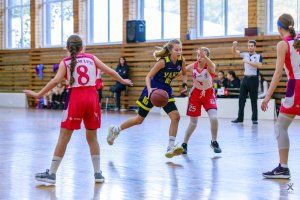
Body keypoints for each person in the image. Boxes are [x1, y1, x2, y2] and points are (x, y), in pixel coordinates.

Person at [24, 34, 133, 184]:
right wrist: (123, 81)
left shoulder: (65, 62)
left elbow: (55, 81)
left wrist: (38, 94)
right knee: (92, 138)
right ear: (83, 48)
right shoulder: (91, 58)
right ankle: (98, 174)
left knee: (64, 137)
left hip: (75, 98)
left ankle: (52, 173)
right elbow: (111, 72)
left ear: (67, 48)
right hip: (92, 98)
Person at [107, 39, 187, 158]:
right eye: (176, 50)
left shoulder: (181, 60)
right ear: (170, 51)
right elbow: (148, 76)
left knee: (176, 116)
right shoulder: (162, 62)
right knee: (139, 120)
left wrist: (184, 84)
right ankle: (115, 130)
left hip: (165, 92)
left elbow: (185, 73)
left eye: (180, 49)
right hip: (153, 90)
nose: (179, 52)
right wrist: (150, 90)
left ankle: (170, 147)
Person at [261, 13, 300, 179]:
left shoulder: (282, 44)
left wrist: (267, 97)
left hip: (295, 86)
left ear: (278, 27)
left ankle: (283, 168)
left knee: (280, 126)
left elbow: (278, 73)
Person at [181, 47, 222, 154]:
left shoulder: (210, 67)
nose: (199, 57)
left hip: (208, 94)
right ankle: (184, 144)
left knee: (213, 117)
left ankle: (214, 141)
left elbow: (213, 66)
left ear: (207, 57)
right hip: (195, 95)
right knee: (193, 123)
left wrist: (205, 57)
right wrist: (184, 84)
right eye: (198, 55)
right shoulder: (193, 66)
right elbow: (184, 71)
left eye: (202, 56)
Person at [231, 40, 263, 124]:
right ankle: (240, 118)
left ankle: (254, 119)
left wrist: (247, 61)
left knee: (253, 99)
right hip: (245, 79)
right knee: (241, 99)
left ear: (255, 47)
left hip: (254, 79)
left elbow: (259, 65)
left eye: (252, 46)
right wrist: (234, 45)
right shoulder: (245, 54)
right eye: (249, 46)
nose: (250, 47)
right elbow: (234, 52)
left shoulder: (258, 56)